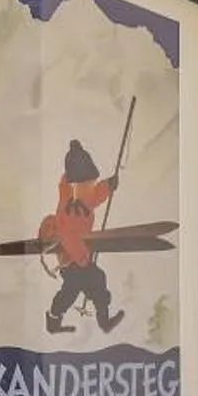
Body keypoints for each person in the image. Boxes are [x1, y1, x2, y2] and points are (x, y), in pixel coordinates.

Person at [39, 139, 125, 335]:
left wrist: (108, 186)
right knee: (89, 281)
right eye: (89, 183)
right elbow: (67, 235)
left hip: (79, 255)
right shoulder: (67, 207)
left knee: (76, 288)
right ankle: (102, 321)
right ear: (76, 184)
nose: (92, 186)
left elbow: (95, 196)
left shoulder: (82, 196)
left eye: (93, 182)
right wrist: (82, 259)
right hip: (71, 257)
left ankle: (55, 321)